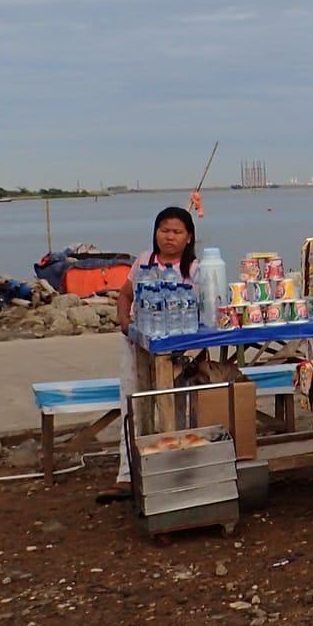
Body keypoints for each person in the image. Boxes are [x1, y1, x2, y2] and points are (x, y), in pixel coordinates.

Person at [113, 205, 199, 488]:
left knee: (177, 405)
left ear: (188, 237)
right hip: (139, 342)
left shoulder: (195, 269)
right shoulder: (144, 261)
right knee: (134, 402)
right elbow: (125, 295)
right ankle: (128, 470)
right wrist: (125, 321)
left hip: (178, 346)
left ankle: (175, 465)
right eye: (164, 230)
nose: (169, 237)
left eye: (176, 231)